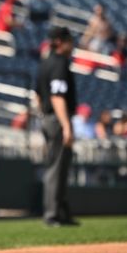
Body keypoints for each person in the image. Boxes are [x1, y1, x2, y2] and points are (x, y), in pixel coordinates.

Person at [35, 26, 78, 227]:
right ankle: (52, 214)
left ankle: (61, 212)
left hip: (48, 118)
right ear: (60, 42)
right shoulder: (59, 63)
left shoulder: (45, 63)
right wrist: (66, 125)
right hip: (57, 119)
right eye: (69, 40)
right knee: (56, 168)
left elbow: (37, 95)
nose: (73, 45)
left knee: (60, 167)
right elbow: (57, 96)